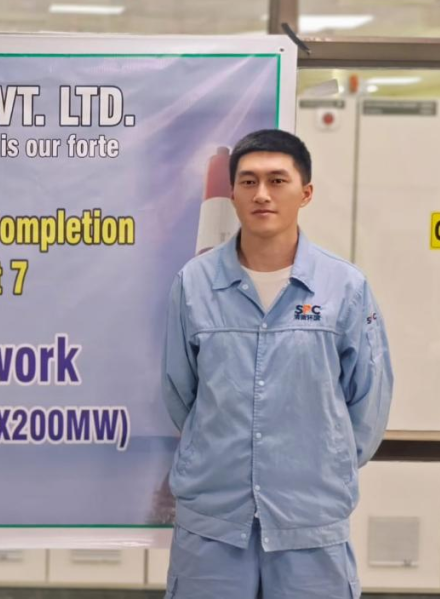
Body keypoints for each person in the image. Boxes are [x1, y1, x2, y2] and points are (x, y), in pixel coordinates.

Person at [161, 129, 393, 599]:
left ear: (305, 193)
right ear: (232, 194)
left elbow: (369, 402)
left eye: (277, 180)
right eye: (248, 181)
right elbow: (179, 390)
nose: (262, 194)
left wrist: (319, 464)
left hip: (311, 521)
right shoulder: (194, 283)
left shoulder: (345, 288)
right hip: (213, 521)